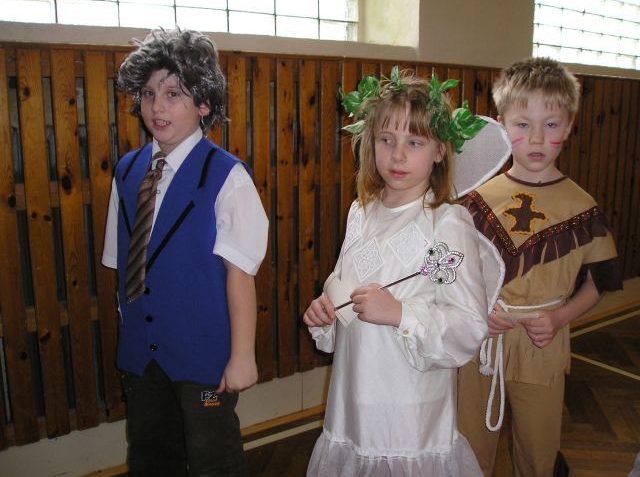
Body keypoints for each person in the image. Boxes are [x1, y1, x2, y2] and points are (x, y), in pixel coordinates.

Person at [302, 68, 506, 476]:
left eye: (414, 142)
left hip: (409, 418)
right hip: (352, 408)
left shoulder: (446, 225)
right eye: (387, 140)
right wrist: (324, 313)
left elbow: (467, 325)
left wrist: (400, 313)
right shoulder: (361, 213)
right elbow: (344, 292)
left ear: (439, 151)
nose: (397, 155)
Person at [101, 28, 268, 476]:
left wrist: (242, 356)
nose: (157, 107)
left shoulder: (227, 177)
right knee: (151, 453)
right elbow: (123, 263)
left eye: (173, 94)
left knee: (214, 453)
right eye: (149, 93)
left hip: (206, 362)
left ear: (204, 104)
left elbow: (240, 274)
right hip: (143, 357)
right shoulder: (127, 171)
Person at [457, 57, 623, 477]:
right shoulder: (475, 199)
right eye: (522, 124)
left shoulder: (581, 206)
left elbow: (599, 281)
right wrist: (476, 308)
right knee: (468, 446)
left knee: (538, 450)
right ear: (501, 125)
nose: (536, 138)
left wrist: (560, 317)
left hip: (542, 343)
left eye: (550, 125)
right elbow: (454, 270)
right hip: (481, 340)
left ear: (568, 127)